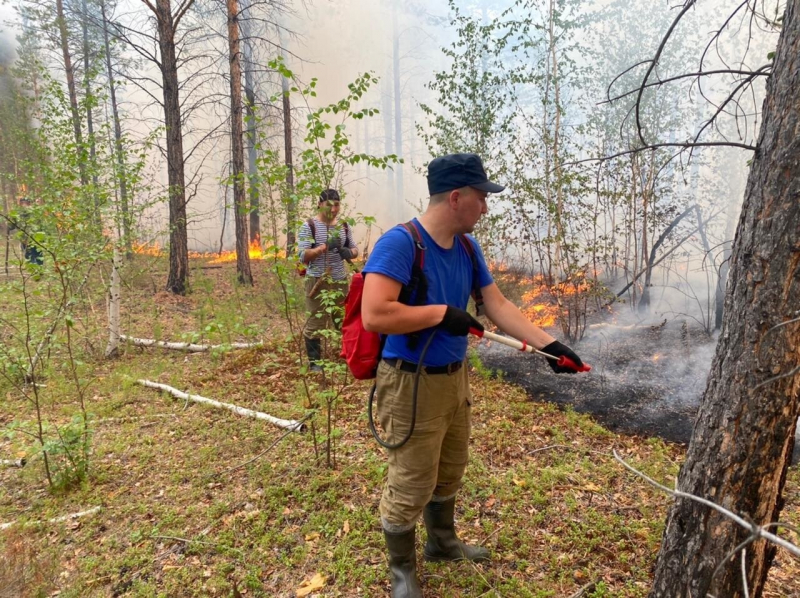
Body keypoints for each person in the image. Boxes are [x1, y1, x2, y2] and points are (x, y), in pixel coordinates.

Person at [361, 153, 584, 597]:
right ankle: (401, 569)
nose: (486, 207)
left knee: (450, 468)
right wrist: (441, 314)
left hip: (453, 378)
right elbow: (374, 314)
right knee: (412, 479)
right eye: (482, 198)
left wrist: (548, 346)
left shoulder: (467, 247)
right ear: (457, 197)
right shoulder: (400, 244)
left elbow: (497, 305)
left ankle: (442, 543)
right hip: (410, 382)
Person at [297, 189, 359, 371]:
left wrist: (349, 253)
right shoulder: (309, 226)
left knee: (343, 322)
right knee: (315, 323)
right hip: (317, 281)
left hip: (340, 281)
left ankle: (347, 358)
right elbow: (303, 255)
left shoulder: (344, 226)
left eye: (337, 205)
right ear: (320, 204)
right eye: (329, 205)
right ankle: (315, 364)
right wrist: (324, 247)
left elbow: (354, 249)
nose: (333, 209)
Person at [11, 198, 43, 266]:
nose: (24, 205)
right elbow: (12, 225)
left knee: (35, 254)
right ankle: (36, 269)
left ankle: (37, 269)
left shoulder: (33, 211)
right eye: (23, 203)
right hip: (25, 238)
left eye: (25, 203)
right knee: (29, 255)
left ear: (29, 203)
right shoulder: (18, 213)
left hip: (34, 237)